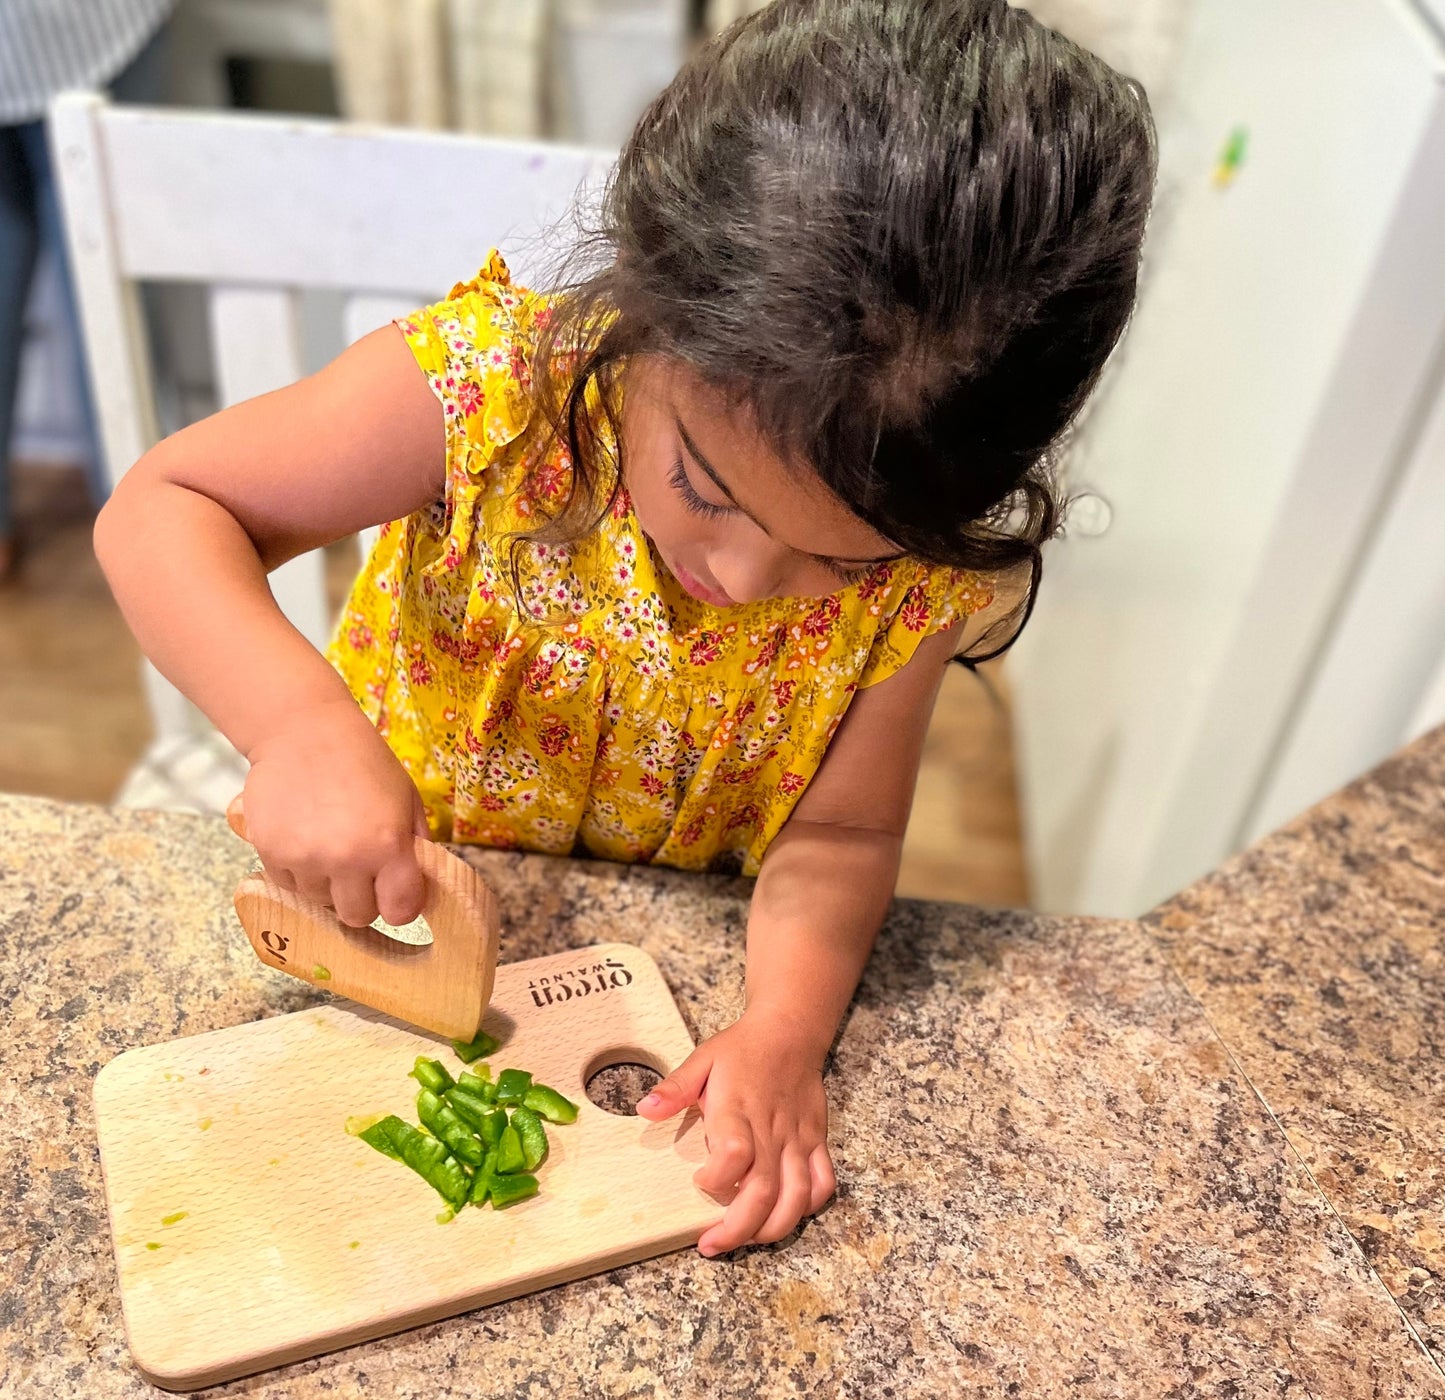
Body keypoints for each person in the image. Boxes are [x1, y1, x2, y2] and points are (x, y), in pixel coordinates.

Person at [95, 0, 1158, 1256]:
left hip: (654, 953)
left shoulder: (918, 579)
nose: (747, 572)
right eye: (705, 487)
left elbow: (845, 828)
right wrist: (298, 728)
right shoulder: (494, 391)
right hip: (373, 900)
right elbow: (165, 508)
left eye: (835, 555)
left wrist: (780, 1031)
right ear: (643, 320)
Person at [0, 1, 176, 581]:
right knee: (111, 303)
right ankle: (152, 544)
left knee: (106, 303)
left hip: (73, 29)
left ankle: (149, 534)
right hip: (84, 27)